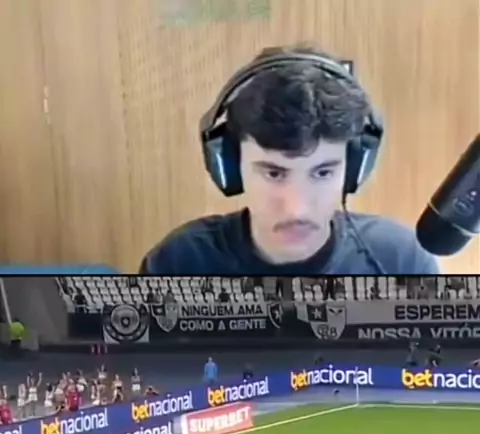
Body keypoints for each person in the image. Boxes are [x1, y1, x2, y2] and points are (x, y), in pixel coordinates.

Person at [140, 45, 440, 276]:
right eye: (274, 173)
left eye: (322, 173)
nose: (297, 208)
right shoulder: (180, 262)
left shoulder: (402, 262)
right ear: (231, 167)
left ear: (354, 169)